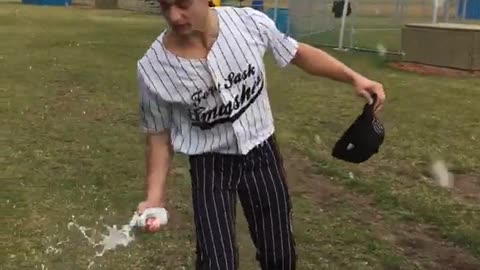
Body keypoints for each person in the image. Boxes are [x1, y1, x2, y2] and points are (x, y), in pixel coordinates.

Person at [135, 0, 385, 269]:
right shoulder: (153, 68)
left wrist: (353, 77)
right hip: (210, 165)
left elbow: (298, 53)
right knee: (216, 262)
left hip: (262, 153)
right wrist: (154, 196)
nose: (173, 15)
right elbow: (159, 136)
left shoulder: (249, 23)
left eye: (182, 3)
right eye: (165, 5)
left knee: (279, 255)